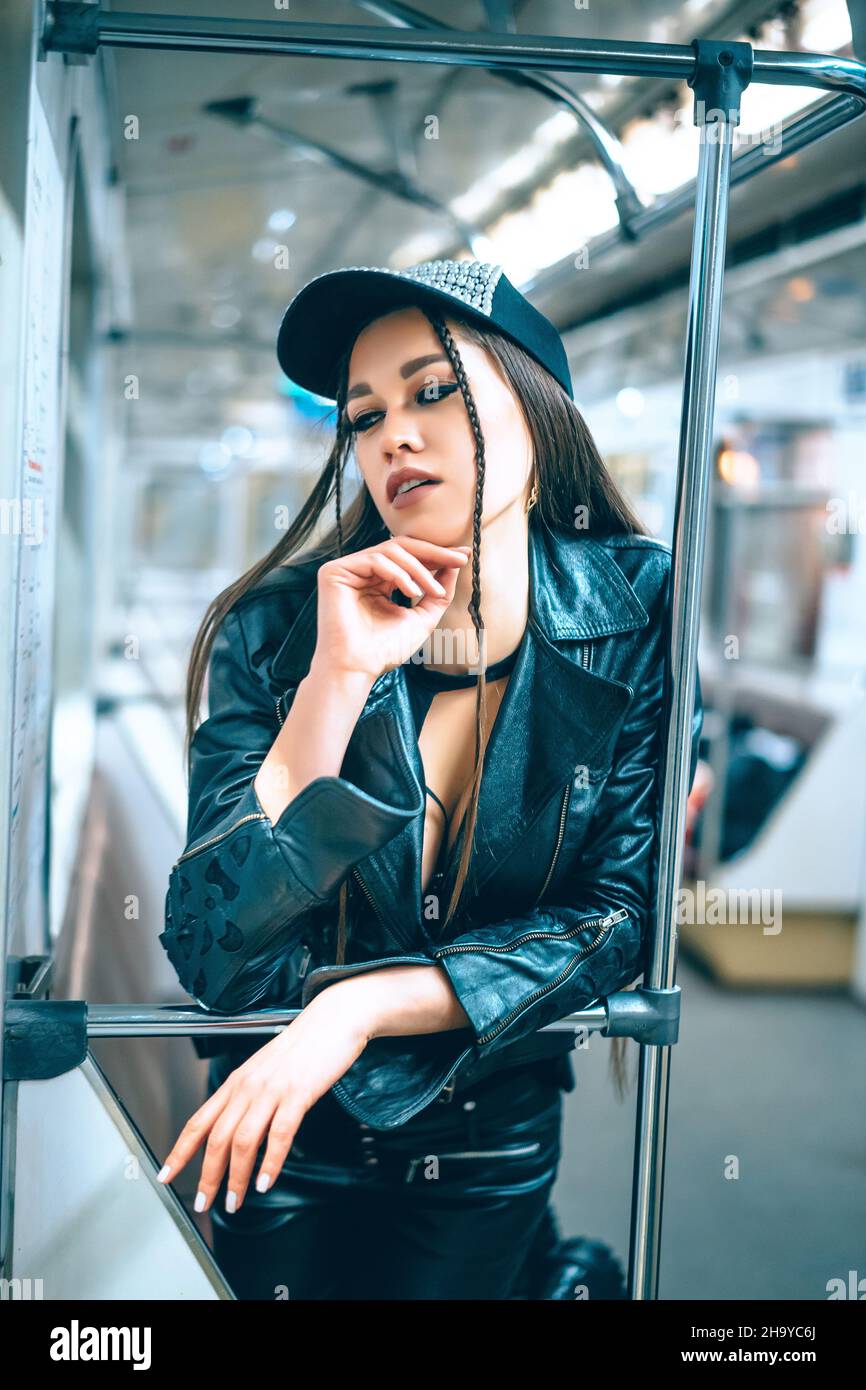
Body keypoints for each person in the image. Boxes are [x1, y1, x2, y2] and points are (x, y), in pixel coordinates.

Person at [156, 258, 703, 1300]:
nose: (393, 434)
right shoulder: (277, 630)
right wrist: (337, 678)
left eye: (431, 390)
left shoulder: (634, 605)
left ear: (536, 405)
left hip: (486, 1122)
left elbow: (618, 917)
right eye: (363, 417)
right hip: (276, 1130)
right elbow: (211, 950)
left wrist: (350, 1010)